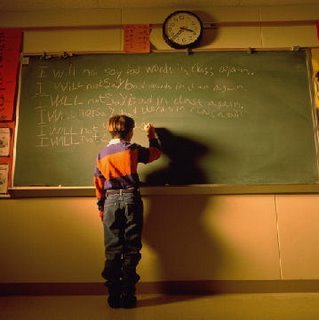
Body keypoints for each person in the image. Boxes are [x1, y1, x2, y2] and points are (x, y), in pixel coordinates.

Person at [94, 115, 161, 308]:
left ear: (111, 131)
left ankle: (113, 295)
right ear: (130, 132)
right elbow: (154, 154)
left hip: (110, 201)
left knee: (112, 249)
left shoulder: (102, 155)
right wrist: (151, 136)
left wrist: (101, 208)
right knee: (131, 248)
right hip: (131, 199)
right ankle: (128, 294)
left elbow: (98, 183)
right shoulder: (131, 149)